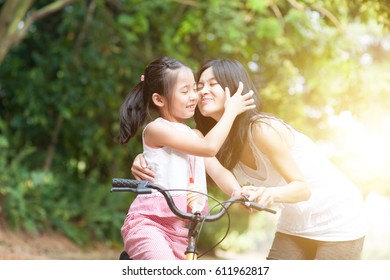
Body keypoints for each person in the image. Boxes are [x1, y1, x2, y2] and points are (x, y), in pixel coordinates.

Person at [132, 59, 367, 260]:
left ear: (234, 90)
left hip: (337, 218)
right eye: (198, 85)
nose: (201, 92)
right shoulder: (215, 138)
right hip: (295, 220)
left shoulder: (261, 129)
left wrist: (264, 194)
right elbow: (185, 149)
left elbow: (302, 188)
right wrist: (146, 158)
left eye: (212, 84)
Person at [116, 56, 255, 260]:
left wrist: (238, 192)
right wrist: (231, 111)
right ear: (159, 99)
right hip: (151, 225)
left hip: (184, 231)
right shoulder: (157, 129)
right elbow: (208, 148)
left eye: (194, 89)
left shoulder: (195, 135)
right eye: (184, 91)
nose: (194, 96)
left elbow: (217, 171)